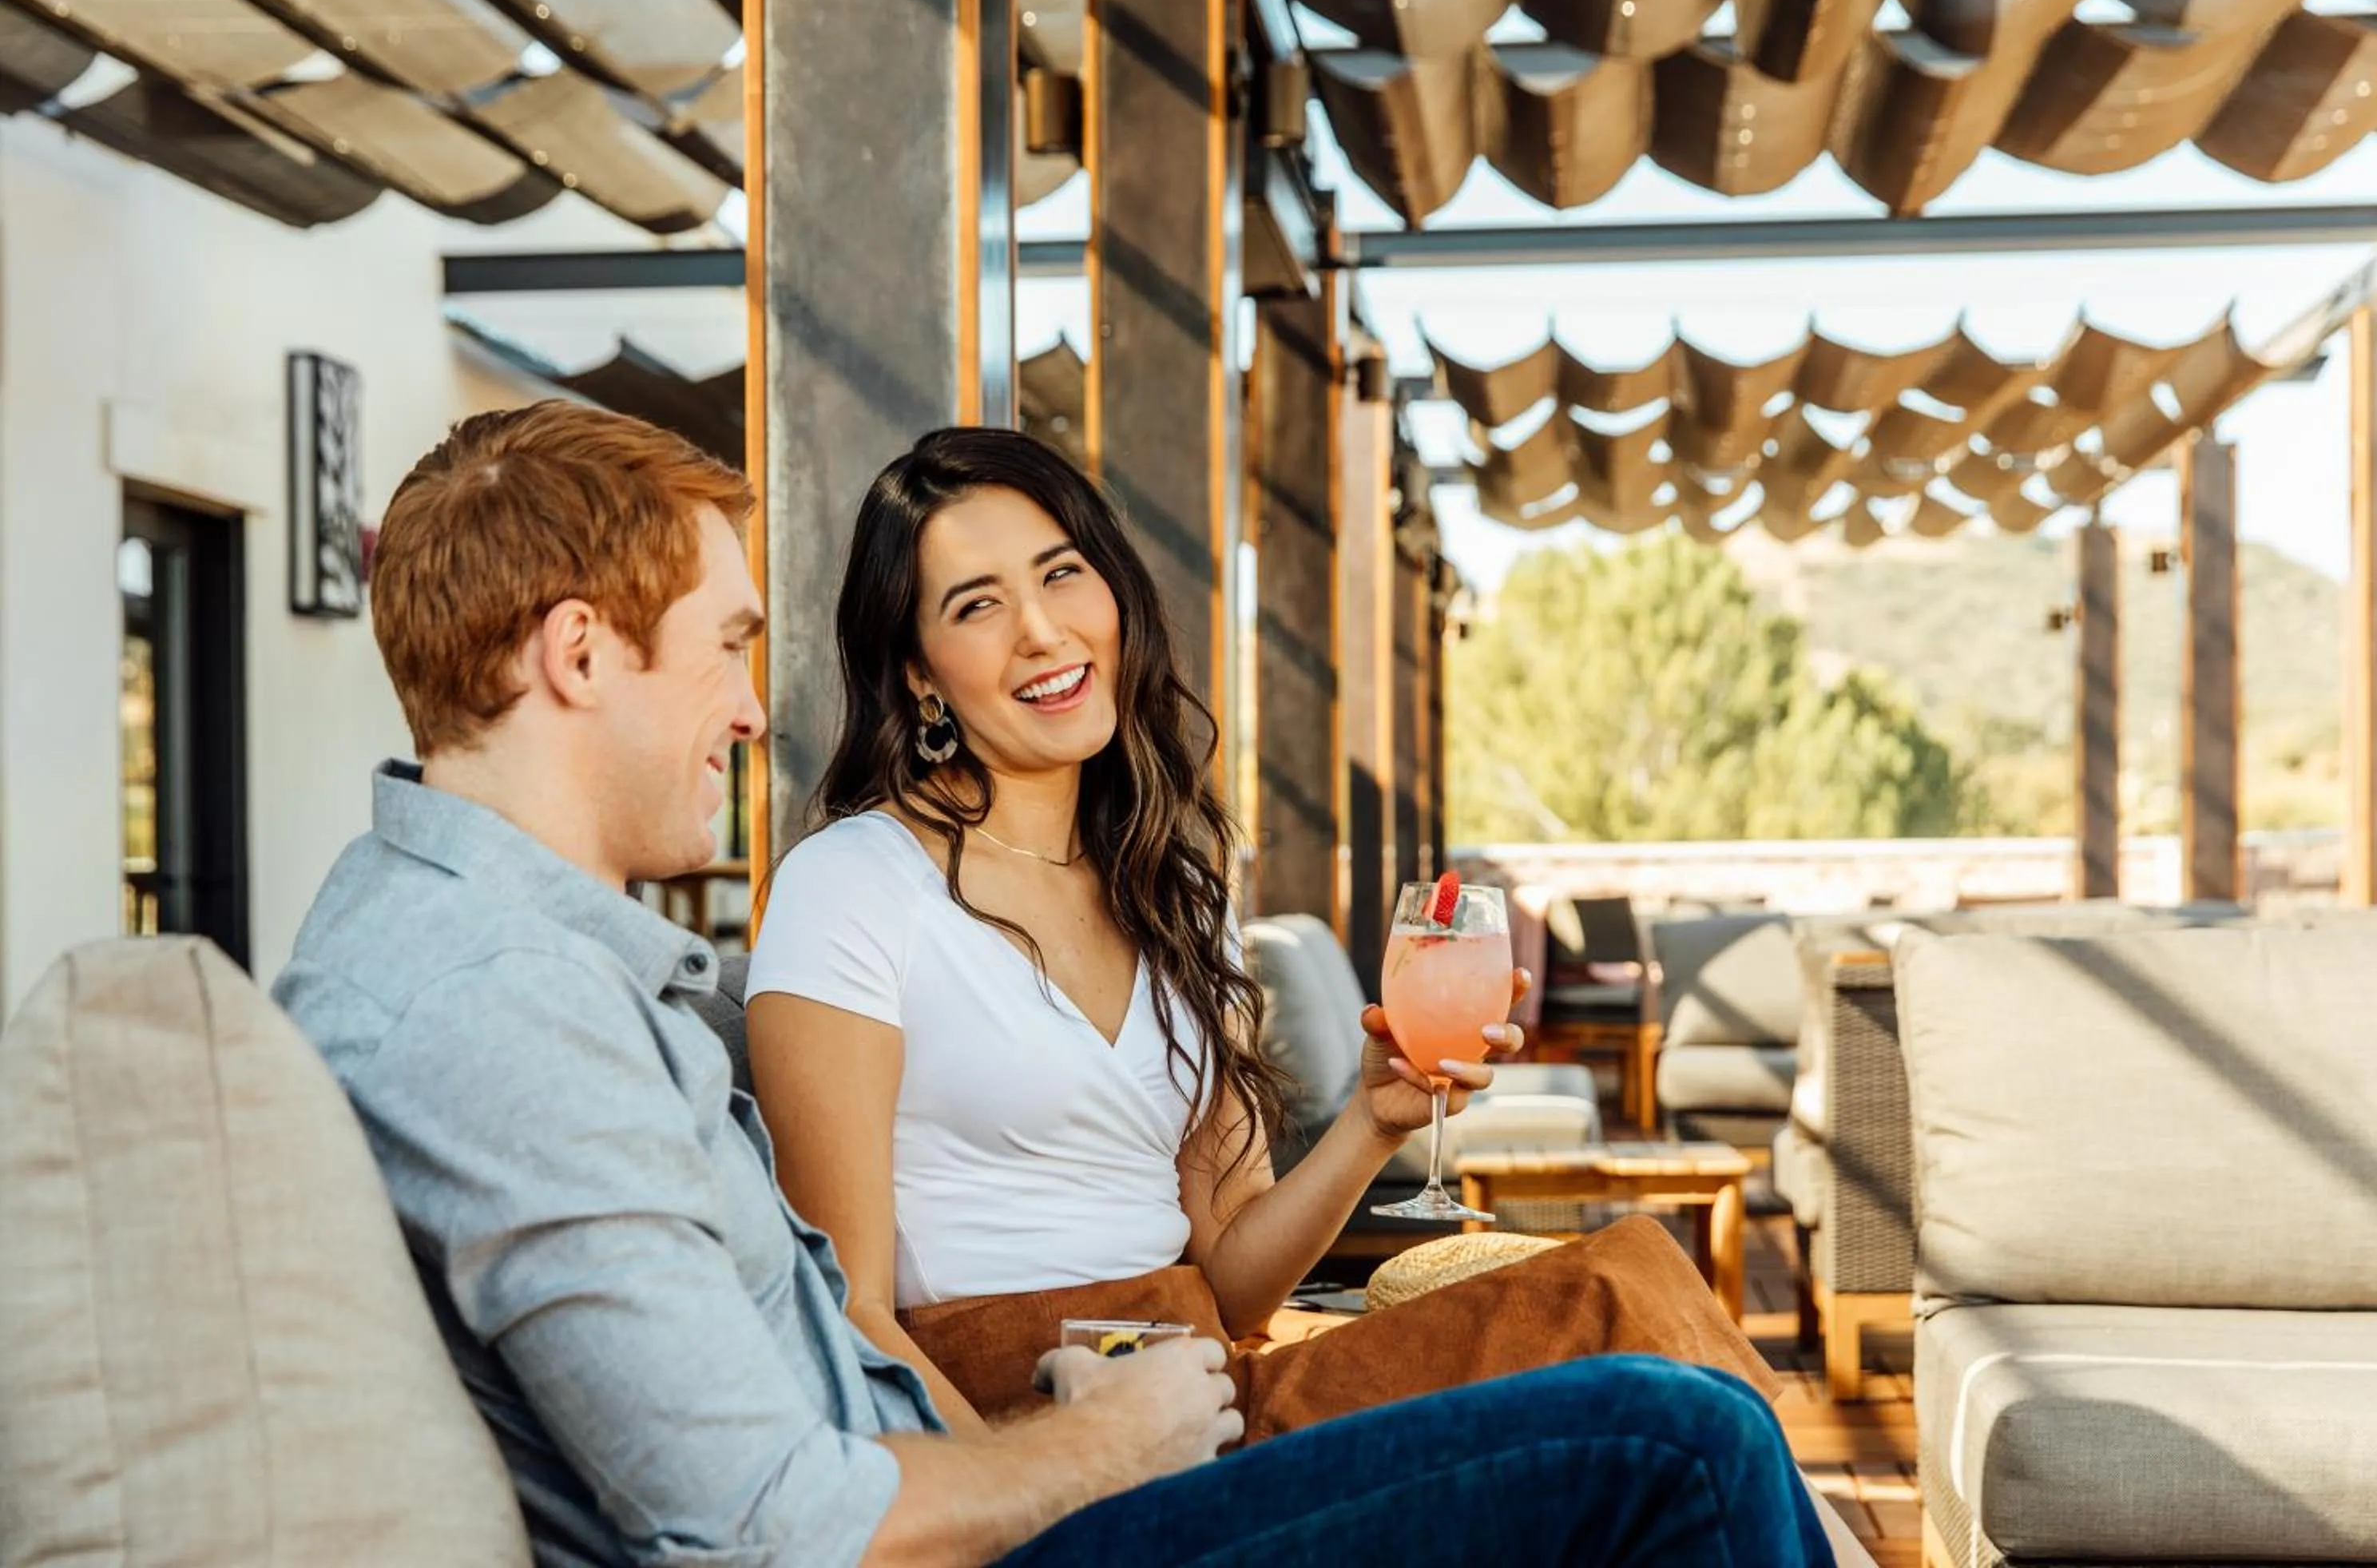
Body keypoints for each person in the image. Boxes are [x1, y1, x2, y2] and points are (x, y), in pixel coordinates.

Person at [273, 400, 1836, 1566]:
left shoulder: (547, 977)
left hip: (1109, 1409)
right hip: (1023, 1457)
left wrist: (1367, 1124)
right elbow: (770, 1504)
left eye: (1061, 574)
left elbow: (820, 1351)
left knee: (1649, 1352)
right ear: (578, 656)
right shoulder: (497, 1005)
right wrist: (1084, 1449)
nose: (755, 707)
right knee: (1666, 1423)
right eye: (728, 645)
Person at [742, 427, 1776, 1439]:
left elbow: (1234, 1284)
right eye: (977, 606)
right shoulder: (853, 887)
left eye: (1061, 575)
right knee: (1640, 1383)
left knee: (1631, 1295)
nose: (1042, 630)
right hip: (1025, 1427)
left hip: (1205, 1404)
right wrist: (1012, 1493)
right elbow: (846, 1309)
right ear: (919, 672)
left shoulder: (1171, 893)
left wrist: (1375, 1120)